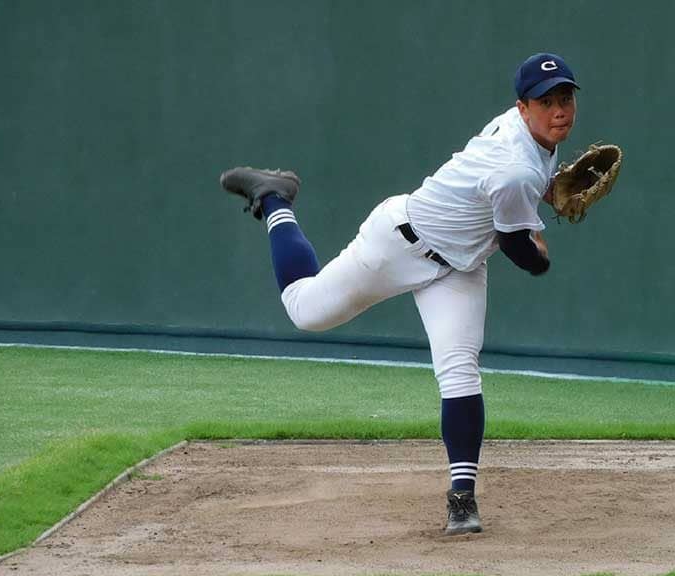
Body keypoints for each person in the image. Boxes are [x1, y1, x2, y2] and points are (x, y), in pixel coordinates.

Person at [220, 52, 579, 535]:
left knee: (459, 369)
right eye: (546, 101)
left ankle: (462, 499)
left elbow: (509, 196)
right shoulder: (516, 168)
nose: (559, 110)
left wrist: (545, 194)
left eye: (566, 98)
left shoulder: (532, 144)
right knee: (304, 310)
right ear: (522, 107)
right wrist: (543, 252)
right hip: (400, 243)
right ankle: (274, 198)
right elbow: (521, 251)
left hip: (460, 268)